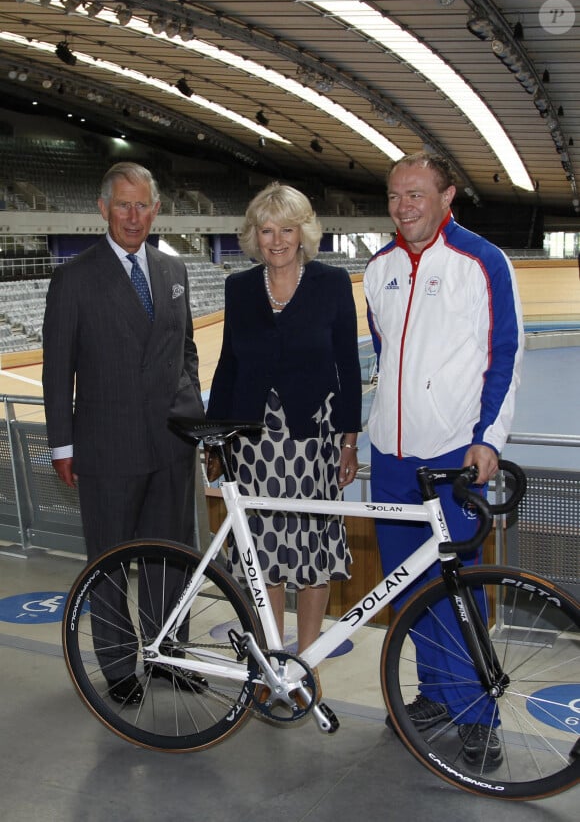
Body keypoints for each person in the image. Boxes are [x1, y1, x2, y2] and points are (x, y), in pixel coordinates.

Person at [364, 152, 524, 766]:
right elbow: (386, 352)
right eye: (395, 196)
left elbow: (504, 355)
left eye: (416, 195)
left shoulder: (481, 262)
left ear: (446, 194)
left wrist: (488, 437)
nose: (404, 207)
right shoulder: (379, 269)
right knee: (408, 587)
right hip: (391, 455)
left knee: (458, 589)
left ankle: (478, 714)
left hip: (454, 456)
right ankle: (434, 694)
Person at [42, 161, 206, 705]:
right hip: (107, 445)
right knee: (110, 561)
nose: (133, 216)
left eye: (143, 205)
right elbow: (56, 367)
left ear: (157, 210)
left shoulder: (173, 270)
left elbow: (186, 350)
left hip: (171, 443)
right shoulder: (75, 277)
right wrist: (63, 445)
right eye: (122, 205)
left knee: (171, 556)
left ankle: (168, 655)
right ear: (102, 209)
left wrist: (192, 415)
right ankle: (118, 665)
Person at [206, 182, 362, 694]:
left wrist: (348, 440)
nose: (276, 240)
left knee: (313, 552)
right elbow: (229, 364)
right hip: (254, 442)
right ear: (255, 235)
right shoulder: (240, 287)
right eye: (267, 230)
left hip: (313, 439)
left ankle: (307, 658)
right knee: (266, 553)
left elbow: (347, 365)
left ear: (303, 233)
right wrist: (215, 437)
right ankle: (274, 658)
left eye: (287, 229)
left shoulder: (333, 284)